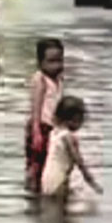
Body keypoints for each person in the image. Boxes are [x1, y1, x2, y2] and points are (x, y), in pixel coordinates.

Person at [41, 96, 104, 198]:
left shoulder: (54, 133)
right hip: (58, 180)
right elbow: (79, 162)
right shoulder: (68, 137)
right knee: (61, 208)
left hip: (47, 178)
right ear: (74, 119)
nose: (82, 123)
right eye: (81, 119)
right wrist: (92, 183)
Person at [27, 38, 65, 190]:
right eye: (51, 61)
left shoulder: (59, 79)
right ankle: (32, 191)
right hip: (41, 126)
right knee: (36, 164)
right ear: (40, 63)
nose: (56, 65)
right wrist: (36, 131)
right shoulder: (40, 79)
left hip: (53, 128)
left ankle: (43, 190)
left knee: (51, 165)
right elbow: (36, 107)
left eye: (59, 60)